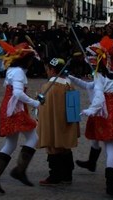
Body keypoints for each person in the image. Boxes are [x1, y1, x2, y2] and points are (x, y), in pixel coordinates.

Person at [68, 36, 113, 198]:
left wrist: (92, 109)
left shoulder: (100, 77)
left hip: (103, 113)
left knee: (110, 148)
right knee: (111, 148)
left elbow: (98, 96)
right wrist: (73, 78)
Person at [0, 40, 41, 193]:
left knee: (11, 143)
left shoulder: (13, 70)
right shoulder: (19, 72)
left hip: (11, 107)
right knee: (33, 138)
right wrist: (34, 103)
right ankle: (19, 170)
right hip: (14, 109)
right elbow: (17, 93)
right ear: (25, 60)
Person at [37, 57, 80, 185]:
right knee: (65, 147)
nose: (47, 72)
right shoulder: (69, 85)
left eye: (48, 69)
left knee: (53, 147)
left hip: (53, 124)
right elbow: (74, 109)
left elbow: (43, 111)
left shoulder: (47, 87)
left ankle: (55, 175)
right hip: (66, 123)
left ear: (52, 70)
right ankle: (67, 175)